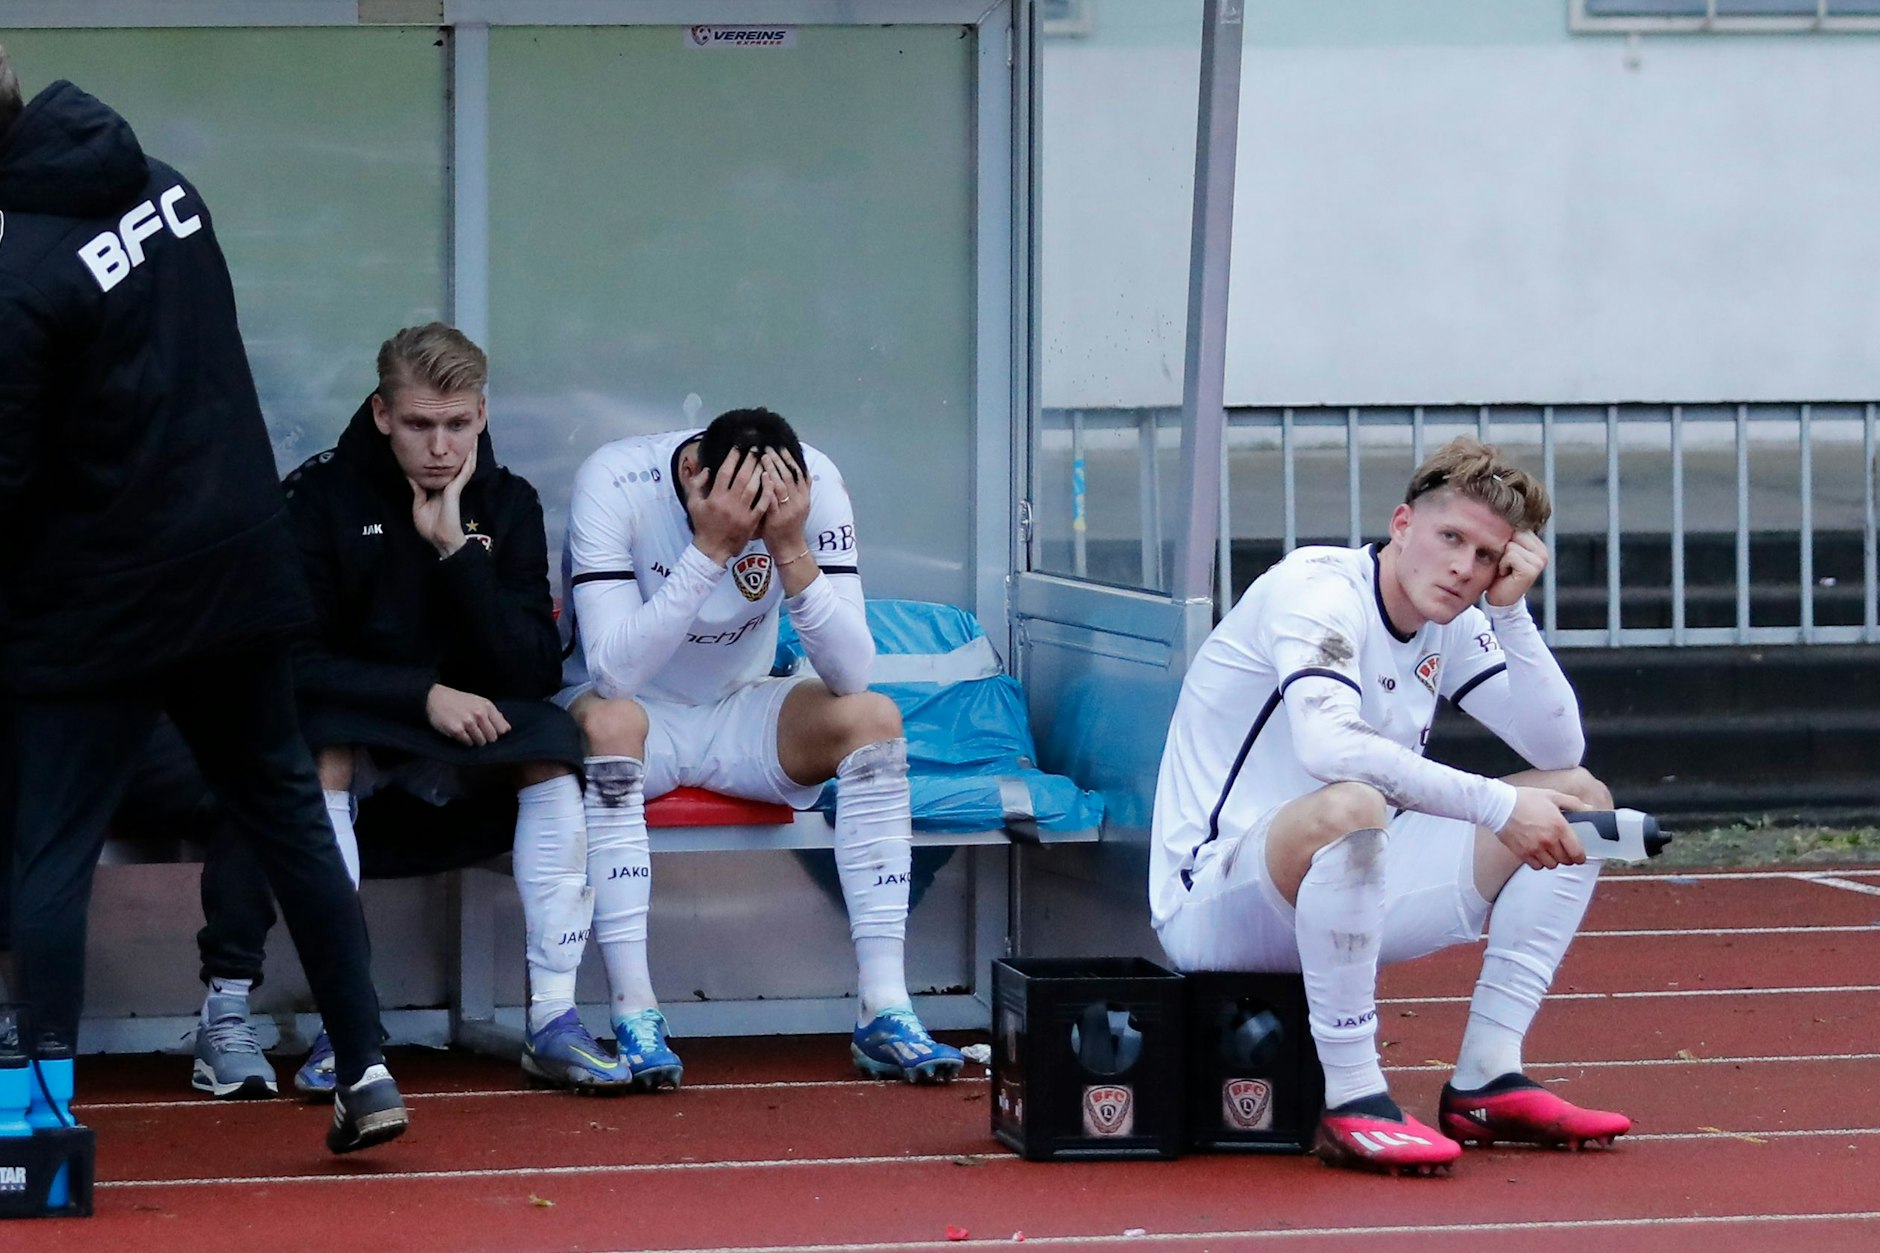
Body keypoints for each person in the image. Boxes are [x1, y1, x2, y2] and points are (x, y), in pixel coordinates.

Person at [0, 49, 406, 1152]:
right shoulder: (167, 184)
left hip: (106, 607)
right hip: (234, 570)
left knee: (49, 851)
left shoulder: (23, 275)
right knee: (286, 813)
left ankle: (36, 1117)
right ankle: (365, 1063)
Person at [1150, 436, 1631, 1176]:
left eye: (1485, 555)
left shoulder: (1459, 610)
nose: (1463, 567)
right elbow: (1329, 748)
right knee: (1352, 802)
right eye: (1450, 538)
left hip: (1354, 877)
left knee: (1581, 801)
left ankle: (1487, 1076)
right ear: (1402, 523)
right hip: (1216, 898)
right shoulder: (1316, 589)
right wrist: (1499, 807)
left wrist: (1511, 615)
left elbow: (1558, 741)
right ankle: (1353, 1098)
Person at [190, 323, 631, 1096]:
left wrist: (458, 553)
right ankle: (343, 1024)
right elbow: (293, 663)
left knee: (554, 736)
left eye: (457, 424)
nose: (440, 447)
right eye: (421, 424)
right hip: (357, 726)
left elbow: (531, 666)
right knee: (312, 739)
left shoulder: (508, 502)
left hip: (468, 741)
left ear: (482, 415)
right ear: (383, 413)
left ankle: (553, 1016)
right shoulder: (319, 497)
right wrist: (421, 694)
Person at [553, 407, 964, 1085]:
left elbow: (850, 673)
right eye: (734, 509)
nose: (751, 526)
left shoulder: (813, 482)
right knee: (613, 720)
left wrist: (792, 550)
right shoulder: (617, 479)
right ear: (690, 473)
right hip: (634, 716)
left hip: (738, 710)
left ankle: (885, 1007)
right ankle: (635, 1013)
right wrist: (711, 549)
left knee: (873, 717)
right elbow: (613, 672)